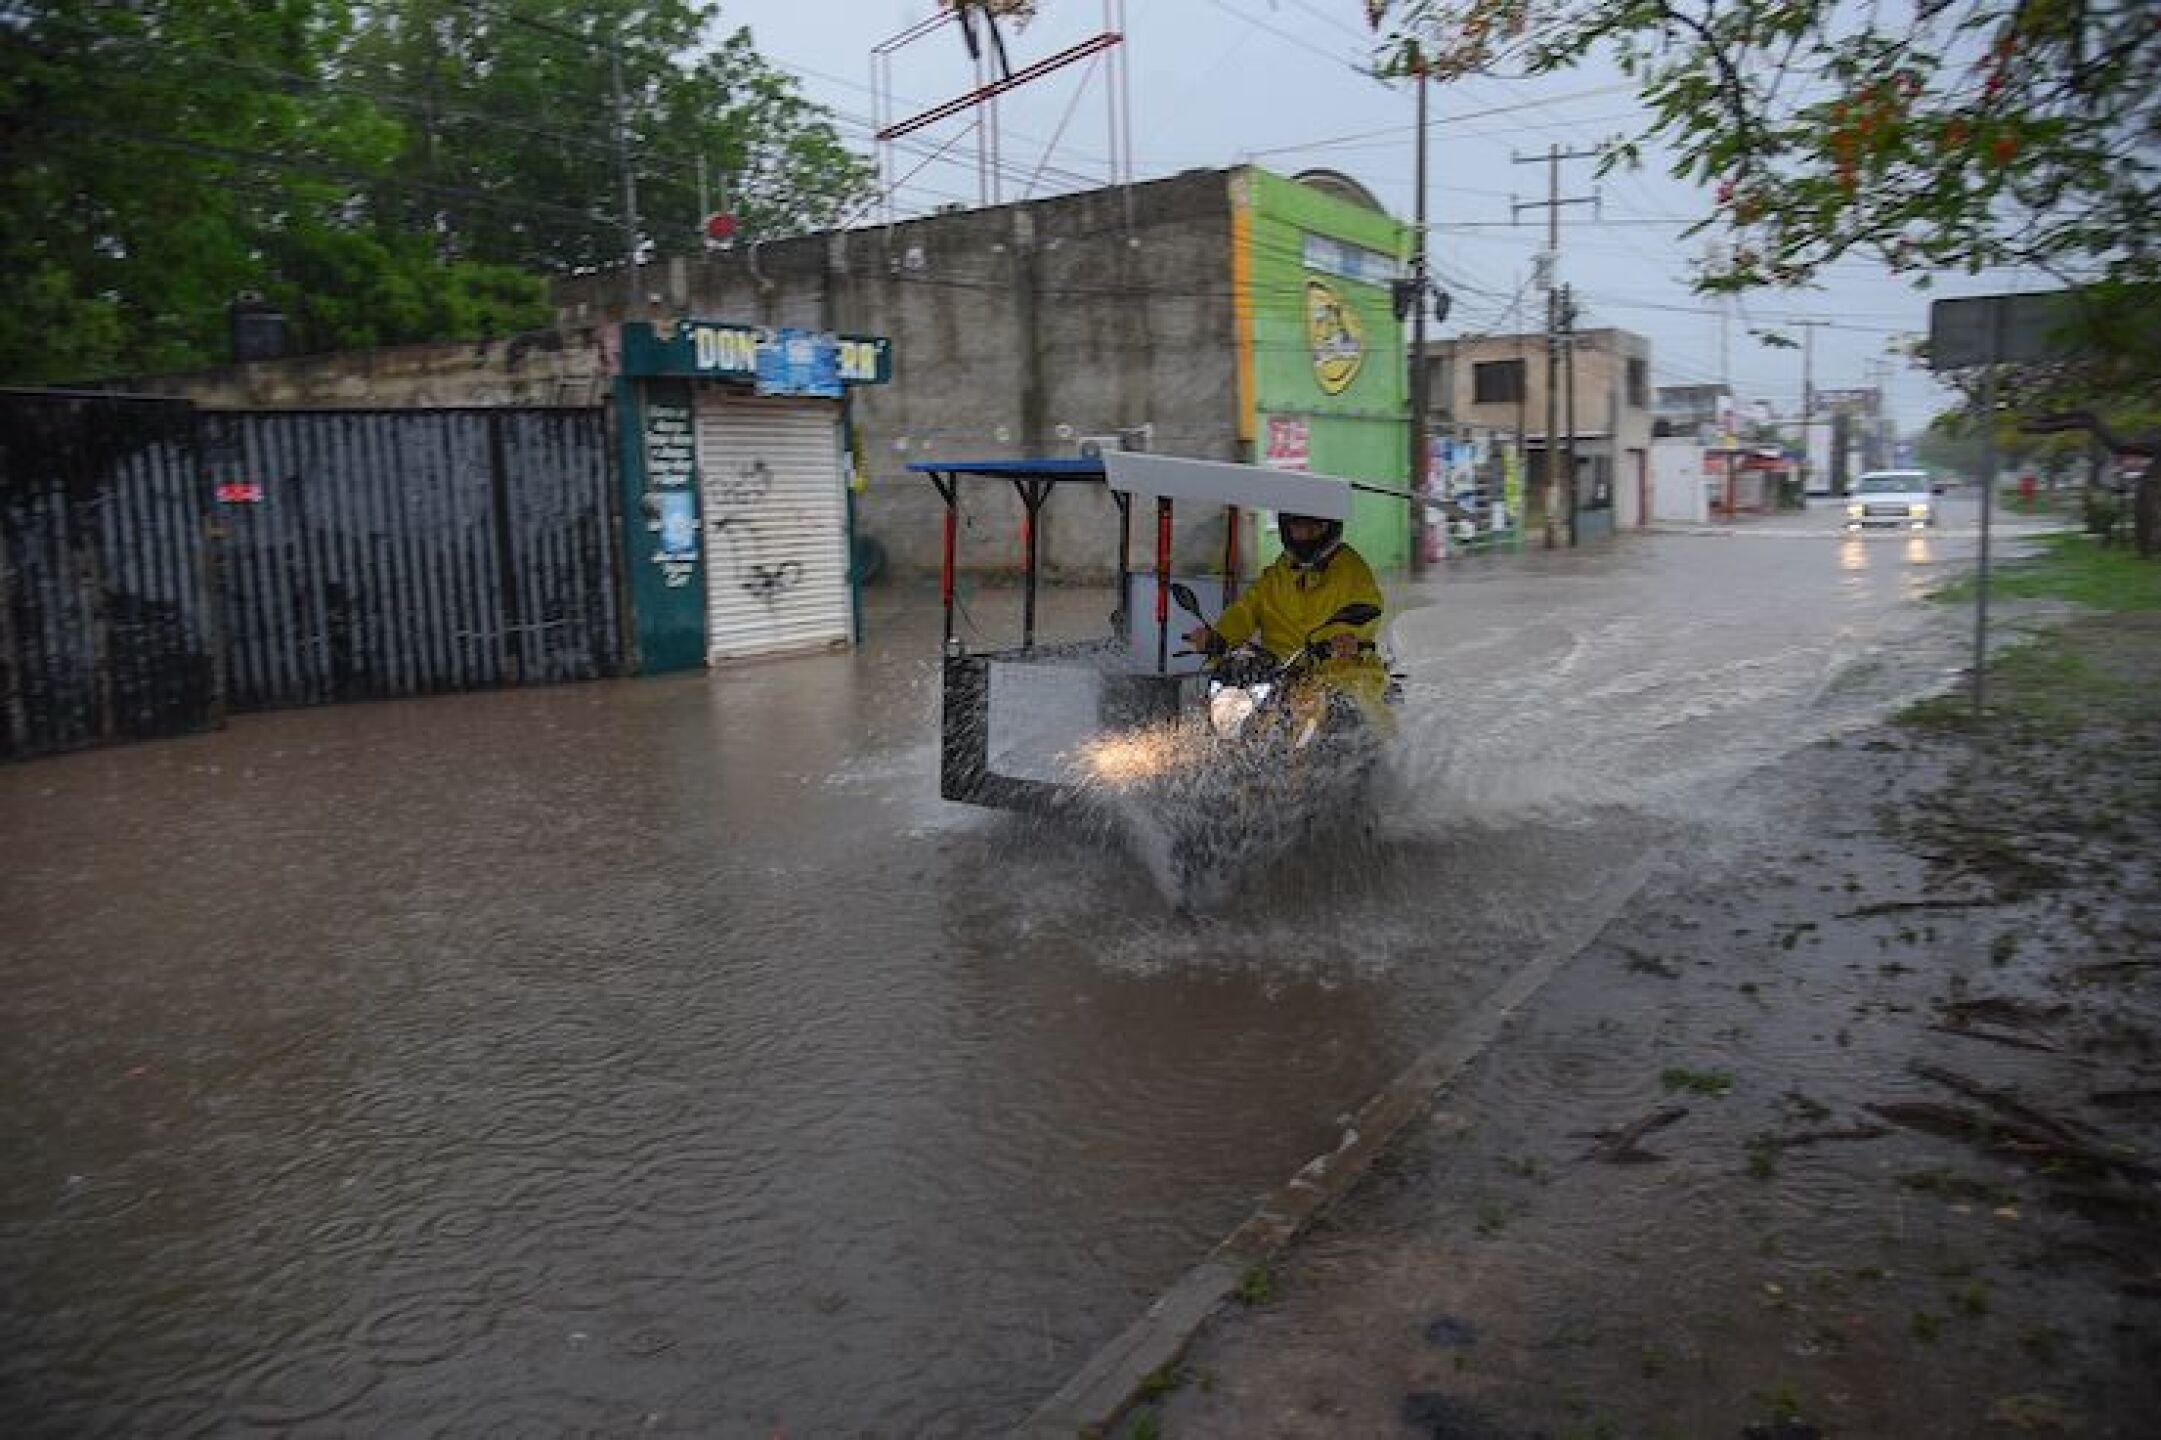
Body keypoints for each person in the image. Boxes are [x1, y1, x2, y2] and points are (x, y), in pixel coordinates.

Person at [1183, 511, 1390, 722]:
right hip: (1276, 673)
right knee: (1218, 707)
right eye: (1298, 528)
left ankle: (1359, 753)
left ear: (1331, 529)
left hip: (1336, 669)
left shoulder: (1353, 572)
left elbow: (1366, 608)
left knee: (1346, 713)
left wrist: (1348, 639)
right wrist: (1217, 638)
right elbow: (1245, 610)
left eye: (1314, 528)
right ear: (1286, 529)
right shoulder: (1276, 575)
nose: (1306, 535)